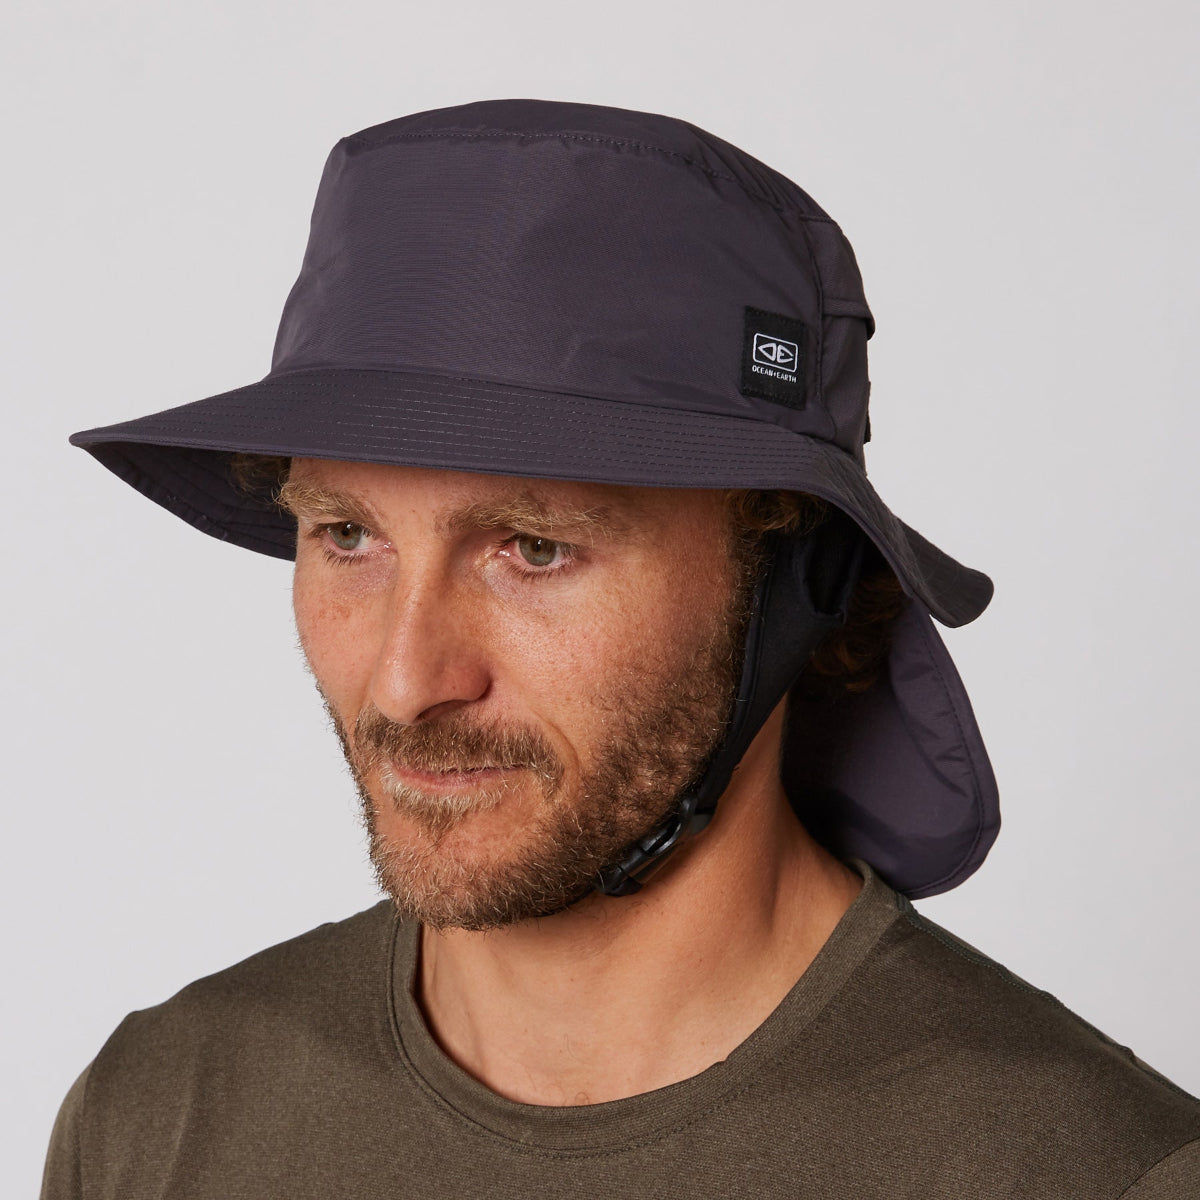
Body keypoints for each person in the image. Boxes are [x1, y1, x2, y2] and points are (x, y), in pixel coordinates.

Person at [44, 99, 1199, 1198]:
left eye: (536, 548)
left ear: (795, 578)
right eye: (347, 535)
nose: (404, 682)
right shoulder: (157, 1120)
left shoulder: (1085, 1175)